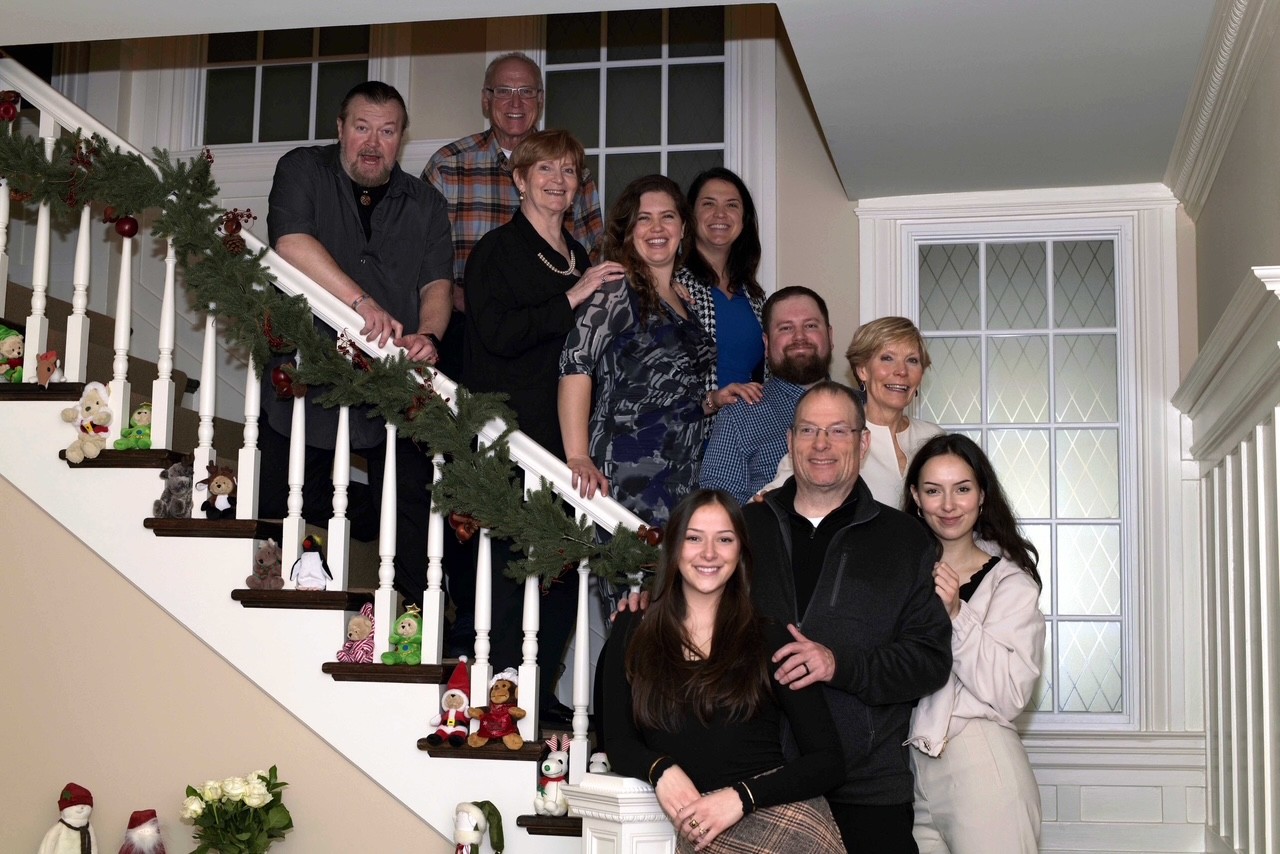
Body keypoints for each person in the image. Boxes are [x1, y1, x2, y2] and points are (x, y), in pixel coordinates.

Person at [261, 80, 452, 605]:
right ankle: (289, 608)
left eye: (387, 131)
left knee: (413, 504)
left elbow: (436, 284)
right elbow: (291, 241)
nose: (373, 142)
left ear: (401, 138)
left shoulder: (428, 204)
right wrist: (362, 304)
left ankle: (414, 617)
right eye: (362, 128)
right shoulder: (302, 169)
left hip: (396, 380)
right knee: (291, 501)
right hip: (305, 370)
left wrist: (429, 334)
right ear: (340, 129)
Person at [742, 381, 951, 854]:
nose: (821, 444)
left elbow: (929, 662)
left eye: (838, 431)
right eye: (809, 430)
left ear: (862, 443)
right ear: (791, 440)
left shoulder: (906, 541)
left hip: (868, 789)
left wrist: (839, 664)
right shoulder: (744, 530)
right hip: (759, 785)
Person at [463, 128, 625, 724]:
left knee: (564, 570)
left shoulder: (581, 254)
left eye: (568, 172)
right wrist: (576, 295)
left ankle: (537, 688)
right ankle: (498, 685)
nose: (558, 182)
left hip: (570, 442)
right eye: (545, 171)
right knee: (511, 567)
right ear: (519, 180)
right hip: (513, 437)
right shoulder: (496, 252)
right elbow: (497, 336)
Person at [605, 489, 846, 853]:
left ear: (741, 553)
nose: (709, 553)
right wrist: (661, 769)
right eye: (694, 538)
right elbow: (616, 741)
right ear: (673, 548)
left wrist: (741, 798)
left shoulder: (769, 637)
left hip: (782, 822)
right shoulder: (632, 630)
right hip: (701, 829)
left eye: (724, 540)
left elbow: (828, 761)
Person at [558, 173, 759, 528]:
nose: (657, 228)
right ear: (628, 230)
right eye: (643, 218)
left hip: (686, 470)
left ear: (683, 228)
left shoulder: (685, 301)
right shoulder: (616, 290)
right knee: (634, 580)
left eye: (667, 216)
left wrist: (713, 400)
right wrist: (577, 456)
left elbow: (673, 391)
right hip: (630, 469)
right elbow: (576, 364)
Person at [903, 434, 1045, 853]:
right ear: (915, 496)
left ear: (982, 494)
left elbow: (1010, 694)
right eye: (933, 490)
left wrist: (956, 615)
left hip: (980, 760)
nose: (948, 505)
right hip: (907, 772)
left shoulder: (1010, 583)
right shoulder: (897, 575)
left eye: (962, 489)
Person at [424, 51, 604, 317]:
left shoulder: (571, 172)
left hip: (558, 325)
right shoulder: (449, 166)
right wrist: (456, 297)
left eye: (527, 91)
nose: (516, 102)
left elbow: (597, 248)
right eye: (504, 91)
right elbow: (421, 252)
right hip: (465, 323)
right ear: (486, 100)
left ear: (540, 99)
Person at [767, 316, 942, 506]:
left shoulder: (934, 437)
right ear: (862, 370)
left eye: (912, 360)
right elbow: (768, 502)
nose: (901, 371)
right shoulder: (834, 435)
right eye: (887, 358)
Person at [699, 286, 833, 504]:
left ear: (830, 335)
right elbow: (717, 511)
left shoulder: (862, 408)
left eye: (810, 325)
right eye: (785, 328)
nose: (799, 337)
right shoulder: (739, 414)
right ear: (767, 343)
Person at [675, 168, 766, 388]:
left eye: (732, 205)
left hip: (746, 419)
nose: (720, 213)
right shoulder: (670, 284)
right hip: (692, 419)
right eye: (708, 203)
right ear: (690, 215)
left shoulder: (755, 296)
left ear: (743, 220)